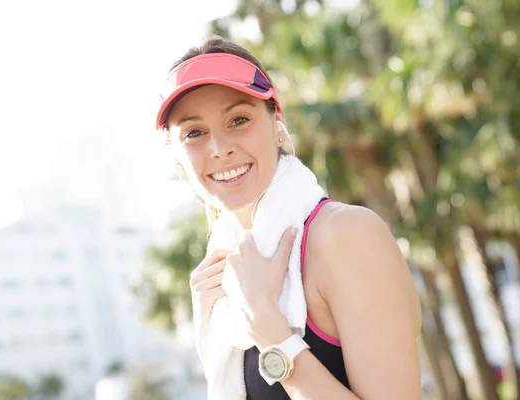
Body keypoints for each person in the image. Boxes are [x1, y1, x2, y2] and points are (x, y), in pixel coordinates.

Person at [155, 35, 423, 400]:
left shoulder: (344, 235)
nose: (220, 149)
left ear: (277, 123)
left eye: (239, 120)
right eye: (195, 133)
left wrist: (270, 329)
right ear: (176, 156)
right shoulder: (221, 276)